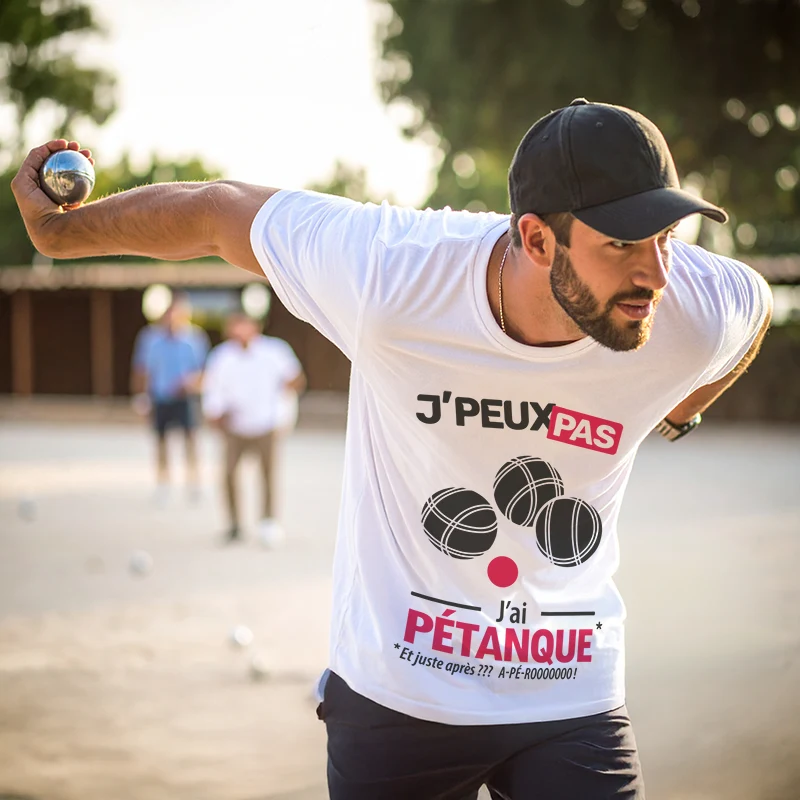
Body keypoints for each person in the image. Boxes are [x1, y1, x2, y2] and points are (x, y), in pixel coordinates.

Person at [12, 98, 772, 799]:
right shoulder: (392, 274)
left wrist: (680, 409)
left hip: (570, 691)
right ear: (537, 238)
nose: (656, 273)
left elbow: (756, 307)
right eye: (622, 244)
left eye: (669, 237)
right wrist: (61, 232)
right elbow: (217, 213)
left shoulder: (689, 313)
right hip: (399, 697)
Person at [202, 310, 306, 544]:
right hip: (235, 426)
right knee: (228, 475)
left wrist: (286, 398)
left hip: (266, 424)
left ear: (255, 327)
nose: (238, 331)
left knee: (268, 475)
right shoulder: (221, 357)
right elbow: (213, 389)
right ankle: (234, 524)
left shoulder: (275, 351)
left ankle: (268, 522)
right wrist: (214, 414)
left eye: (242, 326)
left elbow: (296, 379)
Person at [131, 293, 210, 503]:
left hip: (186, 397)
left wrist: (191, 383)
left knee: (191, 441)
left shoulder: (196, 338)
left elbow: (204, 370)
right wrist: (141, 397)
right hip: (160, 396)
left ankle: (194, 483)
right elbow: (142, 369)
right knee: (161, 442)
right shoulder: (150, 338)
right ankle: (163, 484)